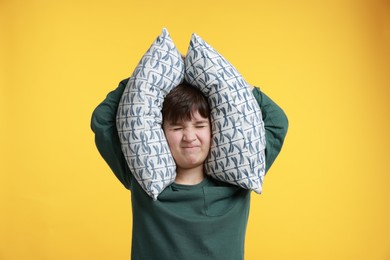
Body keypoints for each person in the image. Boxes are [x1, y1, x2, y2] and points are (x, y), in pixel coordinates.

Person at [91, 79, 288, 260]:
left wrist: (226, 80)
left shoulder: (237, 178)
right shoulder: (143, 177)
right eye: (177, 128)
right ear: (161, 134)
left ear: (215, 130)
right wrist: (141, 81)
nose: (189, 137)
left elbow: (277, 122)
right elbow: (102, 120)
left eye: (200, 125)